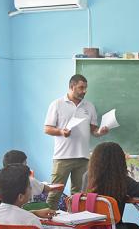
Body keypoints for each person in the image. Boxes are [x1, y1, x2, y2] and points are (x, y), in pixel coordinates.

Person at [43, 75, 109, 208]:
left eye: (85, 88)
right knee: (55, 193)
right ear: (72, 87)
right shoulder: (57, 104)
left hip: (83, 157)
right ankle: (47, 225)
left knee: (79, 196)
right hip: (62, 157)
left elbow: (93, 130)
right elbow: (47, 129)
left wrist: (100, 132)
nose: (84, 91)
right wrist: (61, 132)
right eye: (81, 88)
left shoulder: (89, 106)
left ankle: (74, 225)